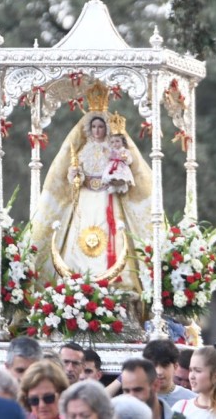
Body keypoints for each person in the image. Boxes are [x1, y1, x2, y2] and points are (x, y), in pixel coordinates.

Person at [31, 81, 152, 301]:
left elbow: (127, 165)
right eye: (94, 127)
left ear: (106, 128)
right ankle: (77, 278)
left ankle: (114, 280)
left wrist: (119, 172)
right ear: (89, 128)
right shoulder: (83, 148)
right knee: (80, 235)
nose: (97, 131)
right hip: (85, 198)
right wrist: (75, 175)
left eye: (101, 127)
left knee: (110, 234)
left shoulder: (113, 148)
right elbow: (72, 174)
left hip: (108, 198)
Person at [140, 339, 196, 406]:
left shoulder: (191, 400)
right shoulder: (136, 396)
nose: (159, 372)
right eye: (154, 365)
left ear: (175, 367)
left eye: (164, 365)